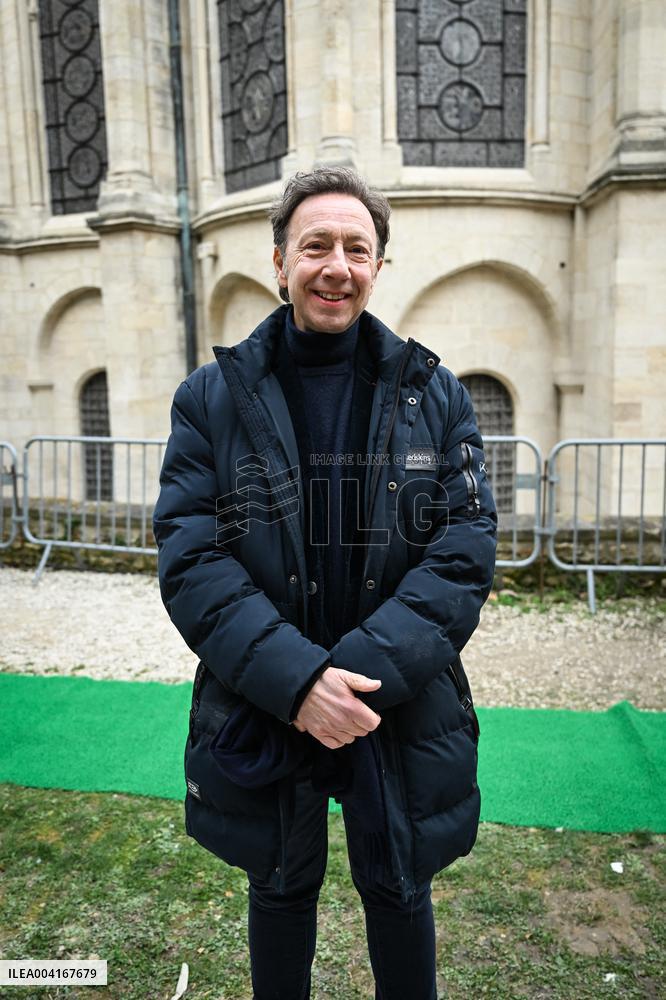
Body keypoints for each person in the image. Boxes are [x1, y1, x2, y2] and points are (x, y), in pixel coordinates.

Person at [153, 166, 497, 1000]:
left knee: (399, 884)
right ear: (279, 262)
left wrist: (356, 675)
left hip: (394, 698)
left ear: (378, 266)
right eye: (315, 246)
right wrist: (299, 683)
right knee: (279, 883)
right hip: (267, 696)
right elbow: (192, 555)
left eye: (356, 247)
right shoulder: (210, 398)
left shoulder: (435, 393)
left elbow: (465, 546)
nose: (336, 265)